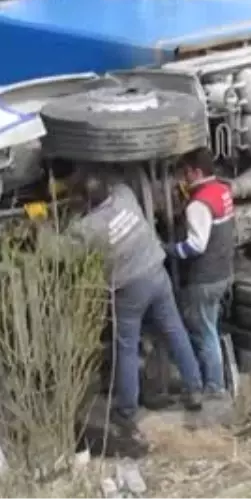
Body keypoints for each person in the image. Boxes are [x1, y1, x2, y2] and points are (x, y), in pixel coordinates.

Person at [67, 165, 206, 428]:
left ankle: (127, 410)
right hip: (157, 272)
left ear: (84, 202)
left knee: (126, 347)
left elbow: (60, 251)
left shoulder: (87, 228)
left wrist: (48, 227)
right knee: (175, 331)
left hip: (129, 287)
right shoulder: (124, 196)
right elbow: (119, 179)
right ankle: (194, 388)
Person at [163, 147, 236, 401]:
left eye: (185, 174)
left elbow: (196, 245)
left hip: (203, 278)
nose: (183, 180)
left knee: (203, 333)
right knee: (210, 329)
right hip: (223, 272)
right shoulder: (223, 191)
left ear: (196, 172)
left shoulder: (198, 204)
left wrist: (168, 250)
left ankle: (214, 387)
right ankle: (219, 381)